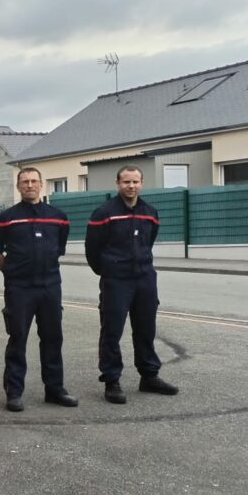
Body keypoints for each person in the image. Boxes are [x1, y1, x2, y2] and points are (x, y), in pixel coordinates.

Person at [85, 166, 179, 403]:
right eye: (126, 182)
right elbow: (92, 250)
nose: (131, 186)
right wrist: (108, 270)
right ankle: (112, 380)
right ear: (118, 183)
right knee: (112, 331)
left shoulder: (150, 212)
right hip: (116, 281)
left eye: (135, 182)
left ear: (142, 183)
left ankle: (149, 376)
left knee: (146, 329)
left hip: (145, 279)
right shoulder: (103, 213)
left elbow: (150, 240)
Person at [0, 168, 78, 411]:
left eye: (34, 181)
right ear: (18, 187)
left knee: (53, 338)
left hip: (50, 285)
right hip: (20, 288)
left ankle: (55, 389)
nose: (29, 185)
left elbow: (59, 248)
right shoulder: (5, 218)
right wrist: (13, 273)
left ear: (41, 185)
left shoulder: (58, 217)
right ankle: (14, 392)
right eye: (25, 182)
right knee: (18, 338)